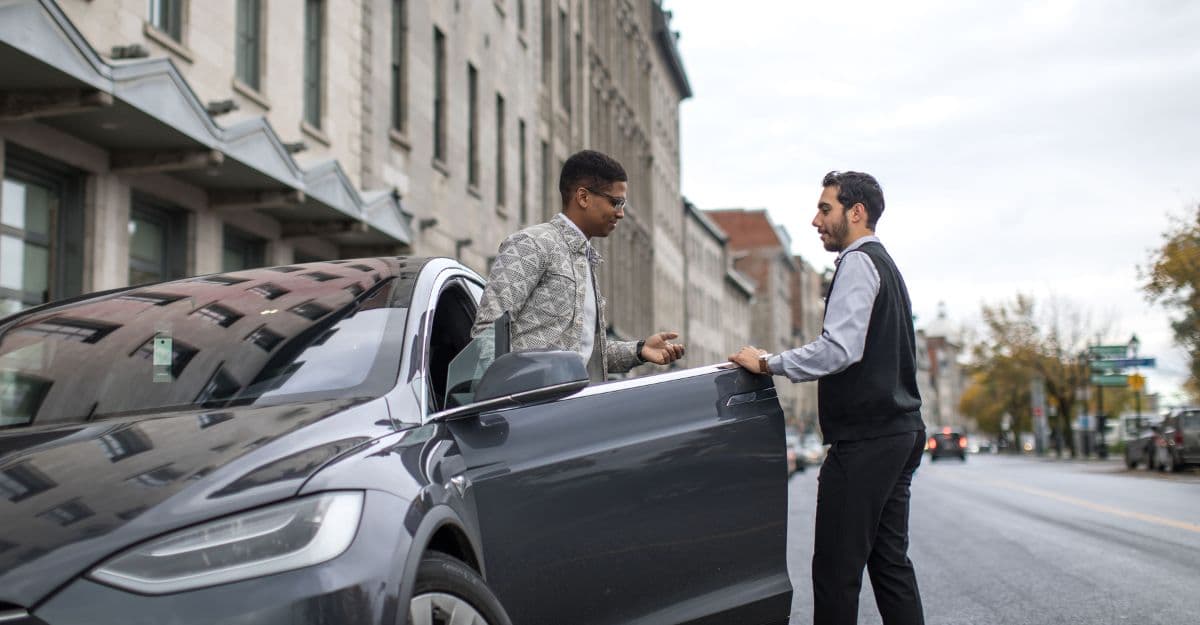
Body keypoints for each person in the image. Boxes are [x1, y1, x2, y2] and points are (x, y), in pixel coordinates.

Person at [730, 170, 926, 625]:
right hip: (899, 432)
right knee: (889, 565)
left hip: (867, 440)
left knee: (836, 570)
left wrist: (768, 363)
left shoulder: (858, 263)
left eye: (825, 209)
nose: (816, 220)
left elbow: (839, 349)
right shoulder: (886, 265)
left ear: (856, 213)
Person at [472, 149, 684, 379]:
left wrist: (639, 350)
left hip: (572, 407)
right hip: (527, 407)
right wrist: (498, 404)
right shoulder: (533, 243)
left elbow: (586, 355)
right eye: (616, 202)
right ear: (583, 197)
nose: (621, 213)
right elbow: (488, 333)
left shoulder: (585, 259)